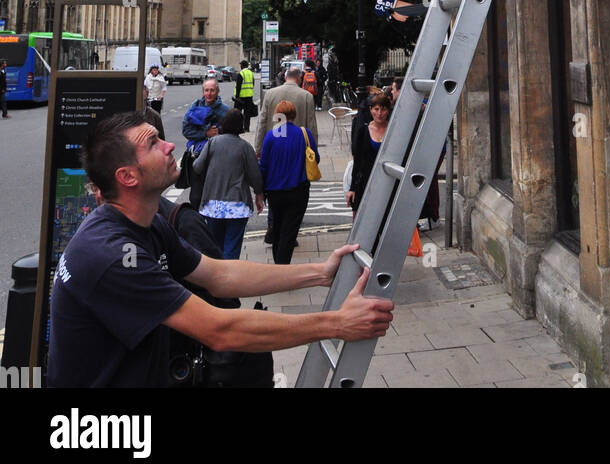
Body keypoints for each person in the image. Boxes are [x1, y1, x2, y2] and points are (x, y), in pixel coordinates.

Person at [45, 111, 393, 388]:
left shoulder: (147, 224)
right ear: (128, 177)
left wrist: (320, 273)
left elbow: (219, 273)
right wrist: (337, 324)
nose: (169, 146)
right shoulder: (111, 255)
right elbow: (220, 330)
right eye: (152, 144)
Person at [192, 110, 264, 259]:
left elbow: (197, 167)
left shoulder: (212, 143)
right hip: (237, 206)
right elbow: (255, 176)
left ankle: (216, 279)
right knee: (232, 247)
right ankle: (230, 278)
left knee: (215, 247)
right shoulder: (245, 147)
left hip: (213, 205)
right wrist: (259, 194)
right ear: (241, 126)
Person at [259, 101, 319, 264]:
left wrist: (260, 190)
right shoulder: (304, 133)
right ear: (294, 115)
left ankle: (278, 264)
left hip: (274, 192)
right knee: (290, 231)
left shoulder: (271, 136)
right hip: (298, 191)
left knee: (277, 227)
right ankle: (282, 266)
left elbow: (263, 165)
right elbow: (316, 159)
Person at [347, 92, 391, 215]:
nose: (379, 113)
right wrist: (352, 189)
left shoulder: (393, 130)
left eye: (383, 109)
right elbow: (358, 161)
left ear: (388, 110)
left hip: (387, 182)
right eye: (376, 109)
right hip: (367, 182)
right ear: (370, 110)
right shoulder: (363, 131)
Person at [182, 75, 229, 149]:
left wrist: (219, 131)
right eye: (206, 90)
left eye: (212, 90)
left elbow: (231, 134)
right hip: (197, 152)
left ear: (217, 91)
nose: (209, 94)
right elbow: (186, 131)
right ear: (203, 92)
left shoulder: (225, 110)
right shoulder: (195, 106)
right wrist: (206, 133)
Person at [234, 60, 256, 133]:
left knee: (237, 113)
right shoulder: (251, 73)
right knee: (247, 114)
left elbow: (238, 86)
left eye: (240, 65)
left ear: (242, 66)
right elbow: (253, 84)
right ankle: (246, 128)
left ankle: (238, 128)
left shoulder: (241, 73)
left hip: (240, 97)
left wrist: (237, 96)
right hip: (249, 96)